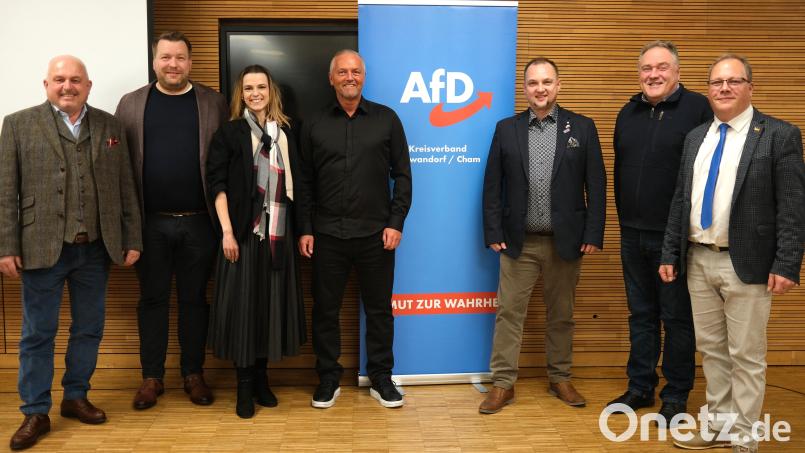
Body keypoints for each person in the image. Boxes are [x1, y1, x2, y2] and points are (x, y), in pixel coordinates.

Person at [660, 54, 804, 452]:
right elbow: (680, 201)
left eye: (734, 81)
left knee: (746, 355)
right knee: (712, 352)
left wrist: (787, 262)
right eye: (717, 82)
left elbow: (793, 205)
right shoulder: (696, 138)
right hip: (699, 260)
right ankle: (719, 426)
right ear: (707, 89)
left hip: (750, 264)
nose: (724, 88)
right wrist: (671, 252)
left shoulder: (779, 135)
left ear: (750, 88)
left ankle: (744, 437)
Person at [0, 55, 142, 451]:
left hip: (94, 249)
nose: (67, 86)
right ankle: (35, 411)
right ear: (45, 84)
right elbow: (5, 192)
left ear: (88, 85)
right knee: (36, 334)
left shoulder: (110, 126)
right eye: (59, 79)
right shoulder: (17, 124)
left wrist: (132, 237)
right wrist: (6, 246)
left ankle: (75, 396)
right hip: (40, 247)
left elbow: (124, 186)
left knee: (89, 329)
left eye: (75, 80)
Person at [480, 57, 606, 414]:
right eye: (533, 83)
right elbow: (492, 185)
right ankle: (503, 384)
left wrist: (593, 231)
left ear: (558, 85)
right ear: (525, 88)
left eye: (547, 82)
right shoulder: (507, 129)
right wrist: (493, 230)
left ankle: (560, 378)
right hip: (518, 242)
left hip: (565, 241)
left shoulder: (582, 128)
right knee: (508, 314)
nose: (540, 89)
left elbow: (595, 184)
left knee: (562, 315)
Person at [115, 31, 228, 410]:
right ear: (154, 61)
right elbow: (118, 169)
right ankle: (152, 377)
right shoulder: (131, 104)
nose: (173, 64)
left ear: (190, 62)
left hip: (201, 223)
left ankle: (193, 374)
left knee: (196, 300)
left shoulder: (213, 102)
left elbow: (226, 162)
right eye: (165, 57)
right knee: (152, 300)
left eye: (180, 57)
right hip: (150, 224)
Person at [295, 49, 412, 409]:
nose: (350, 77)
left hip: (377, 236)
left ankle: (381, 378)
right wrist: (306, 228)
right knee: (325, 310)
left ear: (364, 77)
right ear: (331, 78)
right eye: (343, 72)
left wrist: (396, 223)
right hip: (327, 235)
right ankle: (328, 378)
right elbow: (303, 182)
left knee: (379, 311)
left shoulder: (387, 119)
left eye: (356, 72)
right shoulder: (313, 123)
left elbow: (403, 176)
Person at [608, 40, 712, 422]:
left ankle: (676, 393)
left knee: (677, 317)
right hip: (632, 233)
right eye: (647, 69)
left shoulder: (699, 109)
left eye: (662, 67)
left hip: (676, 238)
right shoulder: (628, 111)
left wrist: (681, 233)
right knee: (641, 314)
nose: (653, 75)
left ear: (678, 72)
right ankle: (640, 387)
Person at [206, 65, 307, 418]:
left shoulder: (286, 133)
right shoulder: (230, 133)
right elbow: (215, 185)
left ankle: (263, 380)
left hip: (278, 234)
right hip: (244, 236)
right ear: (241, 94)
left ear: (271, 91)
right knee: (244, 312)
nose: (255, 93)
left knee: (269, 309)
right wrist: (228, 233)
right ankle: (244, 387)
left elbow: (300, 187)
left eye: (261, 87)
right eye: (248, 88)